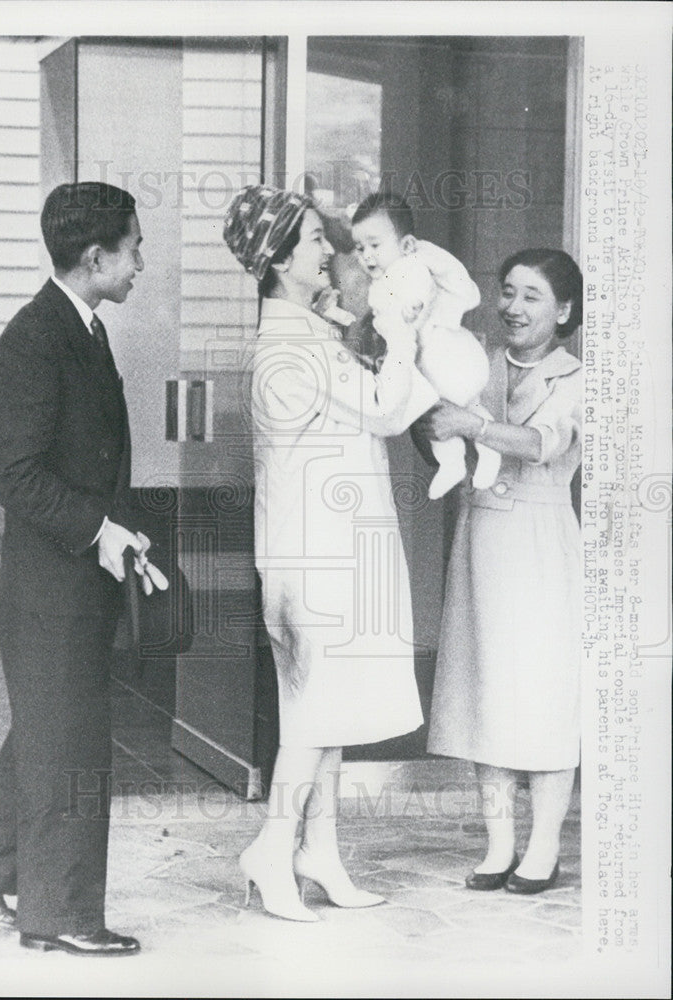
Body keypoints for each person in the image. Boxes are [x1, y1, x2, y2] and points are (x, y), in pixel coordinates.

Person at [0, 181, 168, 956]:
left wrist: (121, 537)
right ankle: (61, 916)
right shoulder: (36, 338)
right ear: (95, 256)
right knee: (71, 742)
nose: (141, 261)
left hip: (73, 577)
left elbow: (79, 462)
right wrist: (99, 529)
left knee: (50, 729)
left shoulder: (82, 329)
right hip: (50, 584)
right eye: (133, 247)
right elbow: (13, 470)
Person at [223, 184, 440, 921]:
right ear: (280, 258)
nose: (330, 249)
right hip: (320, 558)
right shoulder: (291, 345)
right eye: (315, 239)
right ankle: (274, 842)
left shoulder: (308, 334)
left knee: (323, 712)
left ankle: (320, 850)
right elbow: (387, 409)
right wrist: (405, 336)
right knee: (317, 715)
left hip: (312, 550)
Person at [420, 248, 583, 895]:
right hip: (482, 534)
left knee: (542, 693)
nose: (513, 307)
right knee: (486, 688)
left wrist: (471, 423)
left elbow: (544, 443)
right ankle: (498, 847)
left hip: (541, 543)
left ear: (564, 310)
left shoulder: (576, 377)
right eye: (508, 292)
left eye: (532, 296)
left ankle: (543, 850)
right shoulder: (476, 364)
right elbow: (434, 425)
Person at [352, 190, 500, 500]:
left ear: (405, 243)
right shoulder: (380, 285)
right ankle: (460, 460)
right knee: (438, 413)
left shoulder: (413, 265)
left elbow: (424, 290)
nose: (367, 256)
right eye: (360, 247)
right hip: (428, 363)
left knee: (438, 406)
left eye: (375, 245)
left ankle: (467, 458)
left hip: (446, 355)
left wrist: (412, 308)